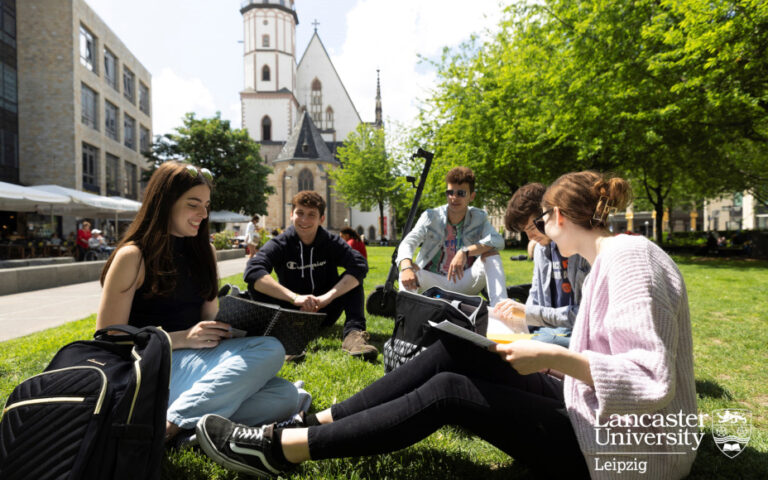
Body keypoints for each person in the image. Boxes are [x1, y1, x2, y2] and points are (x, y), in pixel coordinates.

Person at [195, 170, 697, 480]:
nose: (534, 233)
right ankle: (313, 421)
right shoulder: (611, 259)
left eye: (542, 219)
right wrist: (535, 356)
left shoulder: (630, 259)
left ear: (560, 216)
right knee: (454, 348)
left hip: (625, 455)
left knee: (451, 391)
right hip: (590, 416)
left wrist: (547, 356)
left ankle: (283, 450)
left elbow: (650, 379)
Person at [96, 161, 299, 446]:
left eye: (206, 205)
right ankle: (169, 427)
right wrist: (181, 338)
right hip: (151, 369)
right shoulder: (133, 256)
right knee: (271, 351)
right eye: (193, 204)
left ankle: (185, 431)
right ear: (165, 202)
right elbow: (108, 339)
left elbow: (209, 319)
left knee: (286, 395)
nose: (203, 214)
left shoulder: (205, 251)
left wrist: (238, 328)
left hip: (194, 367)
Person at [244, 191, 378, 360]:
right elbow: (253, 270)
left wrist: (326, 298)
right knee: (256, 284)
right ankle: (284, 338)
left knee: (353, 279)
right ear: (291, 215)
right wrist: (295, 298)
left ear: (321, 219)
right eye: (300, 213)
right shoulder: (280, 243)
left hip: (325, 310)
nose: (304, 220)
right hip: (291, 311)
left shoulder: (330, 242)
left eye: (311, 215)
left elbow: (359, 265)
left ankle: (353, 336)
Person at [496, 183, 591, 347]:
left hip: (577, 334)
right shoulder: (541, 250)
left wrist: (528, 313)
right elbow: (535, 297)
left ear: (550, 215)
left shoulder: (582, 249)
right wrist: (516, 323)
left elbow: (585, 315)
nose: (531, 236)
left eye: (532, 227)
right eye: (525, 231)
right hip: (547, 331)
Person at [396, 166, 507, 306]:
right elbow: (408, 242)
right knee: (406, 272)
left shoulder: (479, 217)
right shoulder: (431, 216)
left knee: (492, 255)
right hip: (433, 280)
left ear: (472, 196)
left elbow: (497, 240)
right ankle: (408, 322)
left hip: (465, 280)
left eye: (461, 193)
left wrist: (465, 252)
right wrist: (406, 267)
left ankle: (501, 310)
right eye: (450, 192)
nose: (454, 198)